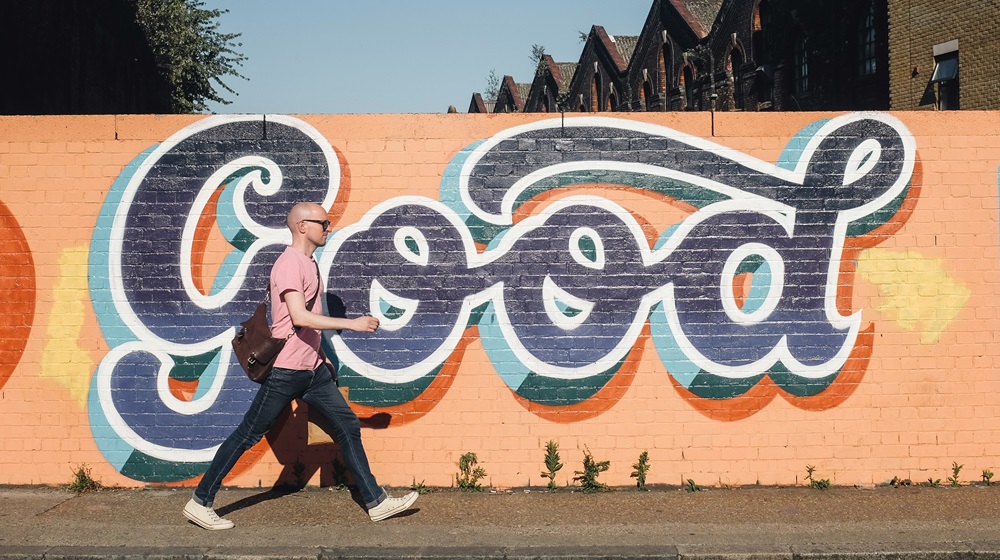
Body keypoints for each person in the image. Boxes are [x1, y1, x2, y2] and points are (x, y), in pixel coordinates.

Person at [183, 202, 418, 530]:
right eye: (324, 222)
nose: (328, 227)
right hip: (287, 370)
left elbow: (305, 323)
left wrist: (320, 358)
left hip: (312, 371)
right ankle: (200, 501)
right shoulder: (289, 264)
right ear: (302, 226)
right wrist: (352, 324)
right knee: (249, 434)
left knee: (346, 425)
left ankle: (375, 502)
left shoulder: (308, 263)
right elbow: (299, 316)